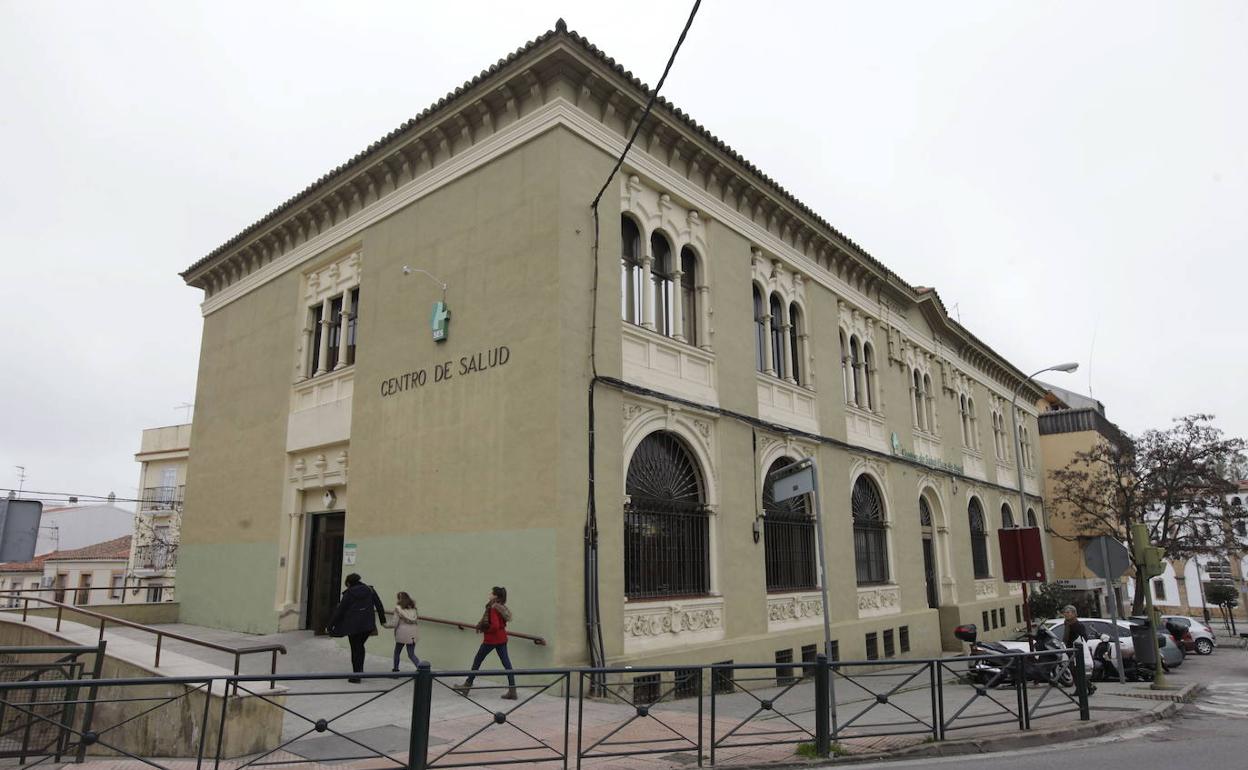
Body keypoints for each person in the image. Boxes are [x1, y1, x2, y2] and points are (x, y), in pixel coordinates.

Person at [453, 586, 517, 699]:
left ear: (495, 595)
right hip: (502, 638)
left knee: (477, 660)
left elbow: (495, 626)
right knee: (507, 664)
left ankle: (467, 686)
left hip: (492, 640)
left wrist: (485, 629)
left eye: (491, 593)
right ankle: (512, 690)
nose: (489, 594)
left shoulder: (493, 608)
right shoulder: (501, 607)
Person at [327, 573, 386, 683]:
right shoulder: (370, 590)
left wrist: (330, 626)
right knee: (360, 646)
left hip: (352, 626)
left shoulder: (349, 593)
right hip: (368, 625)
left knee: (355, 648)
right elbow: (379, 605)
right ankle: (359, 671)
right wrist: (383, 621)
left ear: (349, 583)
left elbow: (339, 611)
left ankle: (356, 675)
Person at [387, 591, 421, 671]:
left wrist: (385, 625)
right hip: (413, 633)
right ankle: (421, 669)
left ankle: (396, 670)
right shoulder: (413, 609)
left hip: (402, 633)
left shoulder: (398, 609)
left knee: (397, 652)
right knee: (411, 654)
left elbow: (394, 623)